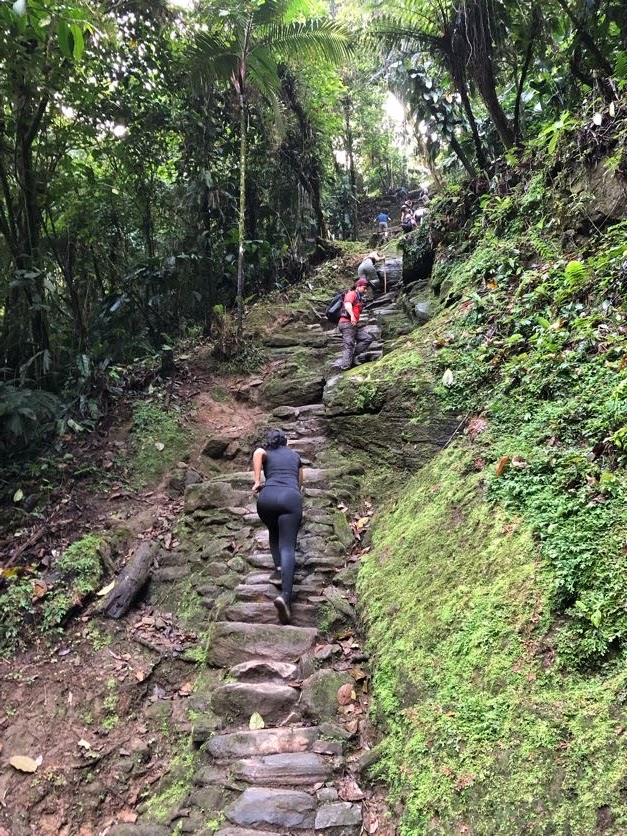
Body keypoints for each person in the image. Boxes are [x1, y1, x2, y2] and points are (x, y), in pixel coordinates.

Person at [252, 429, 304, 625]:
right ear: (286, 442)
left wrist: (258, 481)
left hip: (267, 498)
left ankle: (280, 567)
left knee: (274, 531)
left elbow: (258, 453)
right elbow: (300, 483)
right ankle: (285, 596)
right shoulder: (295, 456)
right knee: (287, 546)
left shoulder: (266, 453)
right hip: (289, 497)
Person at [338, 278, 370, 371]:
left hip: (353, 325)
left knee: (367, 338)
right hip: (347, 323)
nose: (366, 290)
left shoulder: (359, 297)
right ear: (358, 286)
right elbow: (347, 304)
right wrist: (352, 316)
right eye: (364, 288)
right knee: (349, 345)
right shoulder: (351, 294)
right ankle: (345, 367)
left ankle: (352, 357)